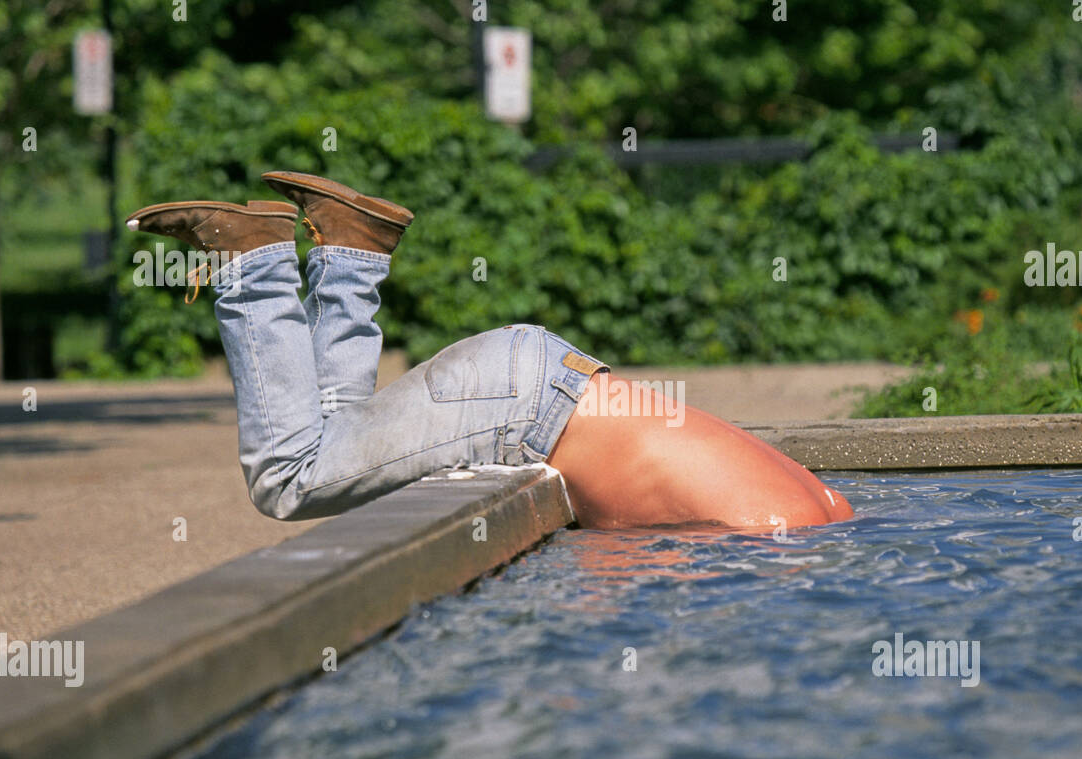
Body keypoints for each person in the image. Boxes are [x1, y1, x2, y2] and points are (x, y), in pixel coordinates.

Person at [126, 172, 854, 531]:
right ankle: (251, 262)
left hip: (540, 378)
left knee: (337, 443)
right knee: (290, 477)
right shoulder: (776, 544)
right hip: (524, 413)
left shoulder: (825, 506)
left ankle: (350, 247)